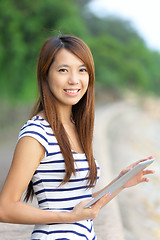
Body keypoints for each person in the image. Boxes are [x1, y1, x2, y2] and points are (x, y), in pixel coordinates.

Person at [0, 35, 155, 240]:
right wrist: (67, 217)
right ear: (45, 75)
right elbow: (5, 208)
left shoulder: (76, 128)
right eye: (63, 70)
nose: (74, 79)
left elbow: (80, 206)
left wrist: (120, 182)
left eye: (82, 70)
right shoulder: (37, 134)